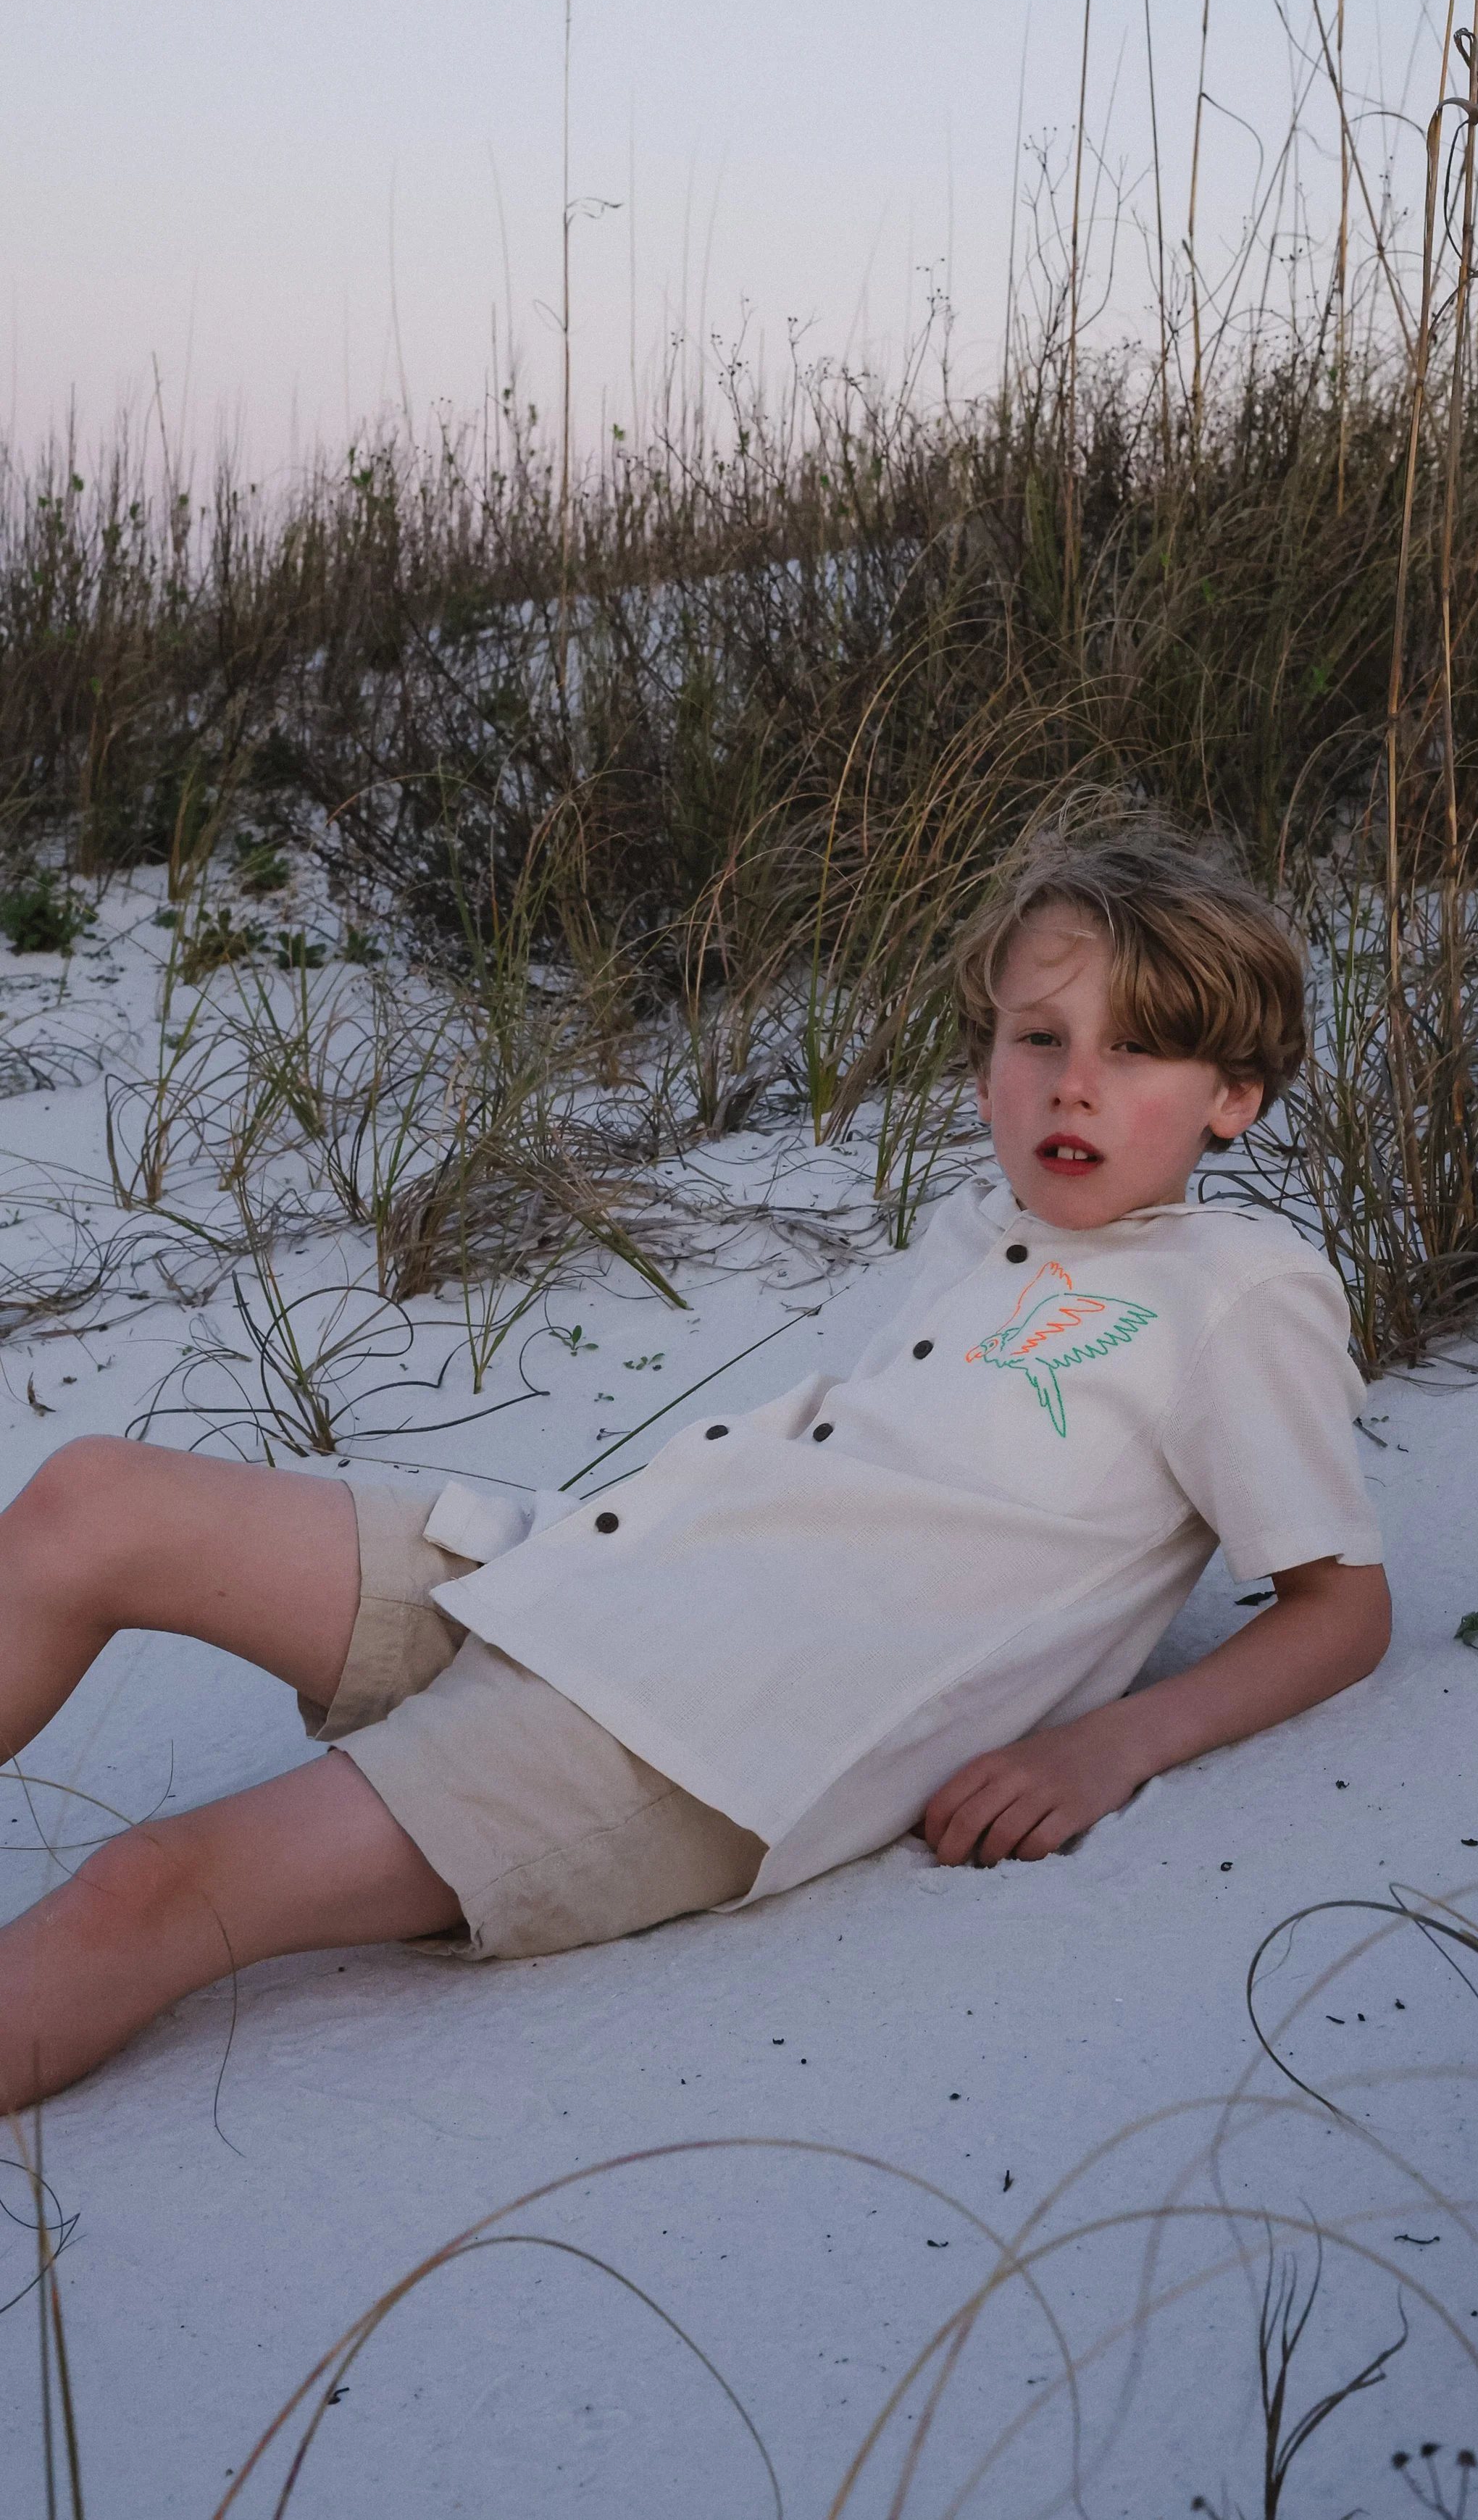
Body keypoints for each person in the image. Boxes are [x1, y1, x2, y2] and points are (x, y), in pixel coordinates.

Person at [0, 826, 1389, 2106]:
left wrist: (1110, 1742)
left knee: (150, 1885)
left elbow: (1343, 1610)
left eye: (1138, 1050)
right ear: (984, 1071)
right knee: (94, 1497)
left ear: (1237, 1098)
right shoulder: (984, 1227)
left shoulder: (1236, 1290)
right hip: (581, 1566)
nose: (1074, 1081)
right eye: (1040, 1037)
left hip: (691, 1732)